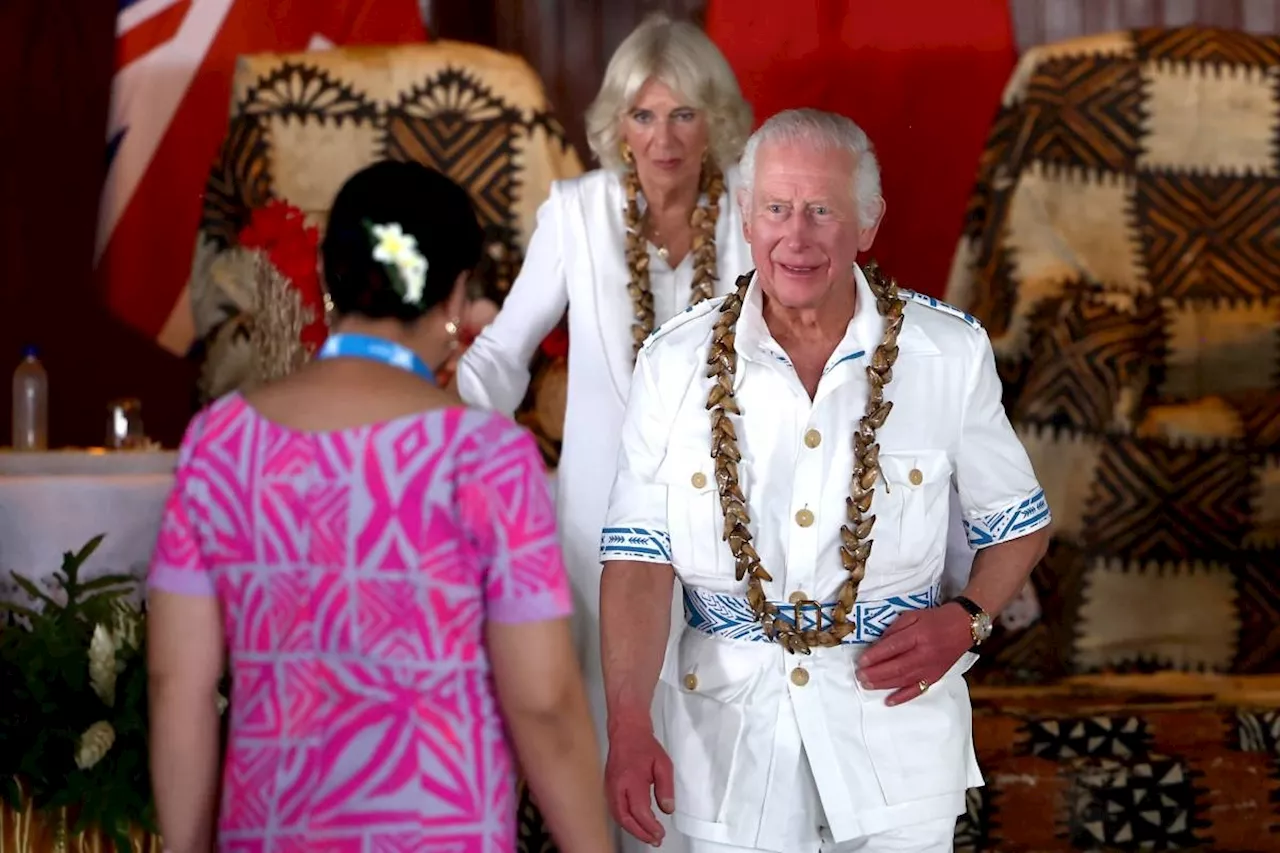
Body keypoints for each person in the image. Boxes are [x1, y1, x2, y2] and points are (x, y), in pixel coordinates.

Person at [599, 109, 1052, 853]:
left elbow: (1019, 523)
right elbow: (639, 563)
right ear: (745, 217)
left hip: (896, 748)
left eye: (822, 210)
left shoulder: (948, 352)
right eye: (776, 208)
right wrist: (626, 721)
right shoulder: (672, 363)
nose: (796, 236)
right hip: (727, 750)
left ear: (867, 224)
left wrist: (967, 615)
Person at [146, 160, 613, 853]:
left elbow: (175, 683)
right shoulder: (486, 456)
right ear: (456, 297)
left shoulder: (221, 442)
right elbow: (542, 702)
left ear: (329, 285)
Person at [454, 14, 753, 851]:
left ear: (715, 122)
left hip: (729, 525)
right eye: (645, 115)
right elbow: (499, 360)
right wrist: (425, 439)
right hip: (595, 529)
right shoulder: (578, 213)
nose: (663, 138)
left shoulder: (750, 217)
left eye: (684, 115)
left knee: (713, 735)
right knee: (607, 732)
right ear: (617, 124)